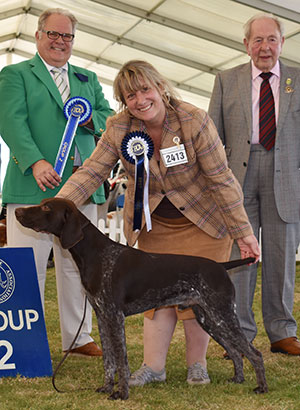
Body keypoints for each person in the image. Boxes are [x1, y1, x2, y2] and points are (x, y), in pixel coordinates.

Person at [56, 59, 260, 385]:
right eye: (130, 96)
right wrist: (59, 205)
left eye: (144, 90)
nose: (139, 100)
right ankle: (153, 367)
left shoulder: (193, 120)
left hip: (203, 223)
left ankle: (198, 365)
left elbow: (222, 179)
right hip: (154, 225)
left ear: (160, 87)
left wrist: (244, 232)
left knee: (198, 296)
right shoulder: (119, 127)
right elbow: (92, 171)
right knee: (155, 301)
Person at [0, 8, 113, 356]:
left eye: (67, 36)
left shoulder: (87, 78)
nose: (60, 42)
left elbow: (109, 119)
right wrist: (34, 161)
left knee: (79, 265)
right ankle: (23, 341)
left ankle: (78, 338)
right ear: (38, 35)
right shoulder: (16, 74)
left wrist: (89, 117)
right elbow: (11, 122)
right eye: (53, 34)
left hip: (82, 187)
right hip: (34, 185)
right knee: (27, 264)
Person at [208, 13, 300, 355]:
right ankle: (239, 333)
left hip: (287, 178)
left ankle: (282, 332)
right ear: (245, 44)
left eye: (271, 39)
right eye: (258, 40)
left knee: (281, 258)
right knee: (239, 259)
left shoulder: (298, 79)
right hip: (237, 179)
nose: (265, 47)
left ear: (282, 43)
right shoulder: (225, 79)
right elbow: (212, 136)